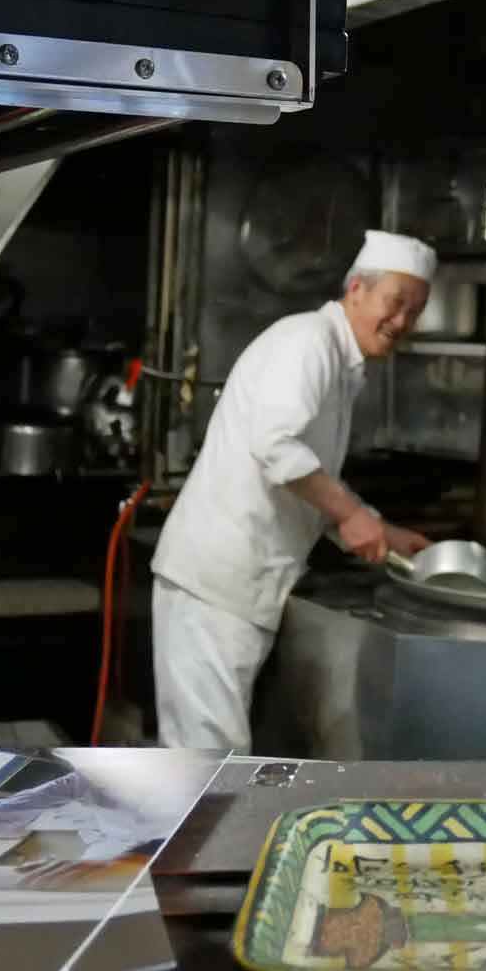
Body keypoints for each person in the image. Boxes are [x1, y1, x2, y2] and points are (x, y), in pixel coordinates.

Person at [150, 230, 438, 750]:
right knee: (207, 759)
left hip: (243, 585)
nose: (401, 322)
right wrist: (352, 516)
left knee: (213, 756)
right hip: (217, 580)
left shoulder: (337, 359)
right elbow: (277, 447)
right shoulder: (307, 342)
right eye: (394, 303)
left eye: (414, 311)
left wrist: (380, 526)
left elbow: (311, 470)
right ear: (356, 288)